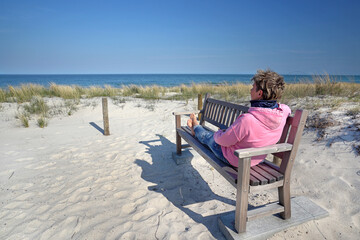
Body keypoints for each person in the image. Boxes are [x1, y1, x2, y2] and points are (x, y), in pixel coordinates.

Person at [187, 69, 291, 167]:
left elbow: (223, 141)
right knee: (212, 136)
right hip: (257, 159)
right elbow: (285, 109)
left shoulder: (248, 120)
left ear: (259, 93)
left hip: (236, 159)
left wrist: (219, 133)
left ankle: (195, 126)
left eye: (253, 88)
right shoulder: (284, 111)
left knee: (208, 137)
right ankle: (196, 127)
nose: (250, 91)